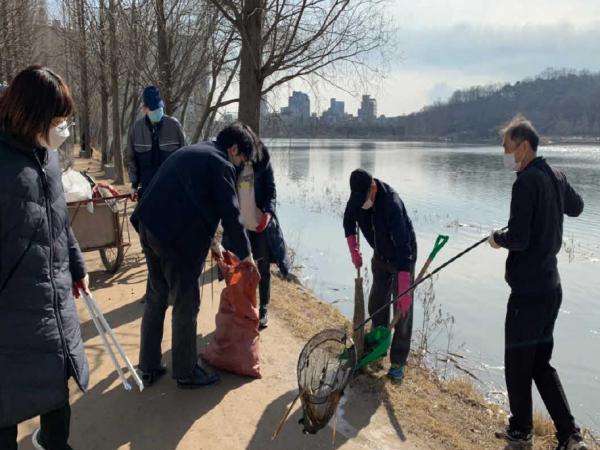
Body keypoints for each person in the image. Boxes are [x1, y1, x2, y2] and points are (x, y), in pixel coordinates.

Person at [0, 66, 89, 450]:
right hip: (10, 313)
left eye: (64, 120)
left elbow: (58, 217)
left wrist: (77, 265)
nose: (61, 129)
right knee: (6, 403)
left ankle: (56, 444)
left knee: (57, 382)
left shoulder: (47, 154)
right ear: (30, 116)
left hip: (51, 300)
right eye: (55, 121)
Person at [130, 123, 257, 390]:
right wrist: (247, 256)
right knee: (186, 303)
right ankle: (186, 372)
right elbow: (231, 215)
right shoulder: (221, 164)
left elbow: (190, 201)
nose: (239, 166)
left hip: (148, 225)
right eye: (242, 160)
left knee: (157, 296)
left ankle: (149, 366)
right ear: (234, 149)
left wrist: (213, 243)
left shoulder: (197, 152)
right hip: (173, 238)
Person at [489, 116, 587, 450]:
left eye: (507, 147)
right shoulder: (555, 176)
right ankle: (570, 435)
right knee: (540, 363)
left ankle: (521, 430)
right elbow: (577, 207)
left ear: (524, 146)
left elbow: (519, 238)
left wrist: (497, 238)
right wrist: (555, 194)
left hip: (528, 292)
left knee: (518, 364)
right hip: (551, 288)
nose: (505, 154)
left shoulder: (525, 182)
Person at [343, 169, 417, 382]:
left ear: (373, 189)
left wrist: (404, 284)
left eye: (365, 198)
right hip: (380, 255)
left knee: (402, 310)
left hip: (402, 258)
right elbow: (348, 221)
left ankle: (398, 362)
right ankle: (379, 347)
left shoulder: (392, 204)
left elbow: (404, 248)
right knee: (376, 303)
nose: (362, 204)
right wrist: (353, 249)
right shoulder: (357, 198)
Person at [221, 134, 290, 330]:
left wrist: (268, 213)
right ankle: (241, 308)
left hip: (260, 226)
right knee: (238, 268)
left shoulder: (263, 164)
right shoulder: (233, 163)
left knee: (263, 269)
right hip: (238, 227)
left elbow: (271, 190)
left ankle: (263, 309)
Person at [124, 86, 186, 201]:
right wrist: (134, 185)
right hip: (147, 191)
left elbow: (184, 157)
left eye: (159, 108)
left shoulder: (175, 126)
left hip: (172, 190)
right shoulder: (136, 129)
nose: (157, 111)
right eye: (153, 109)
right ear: (145, 109)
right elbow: (131, 159)